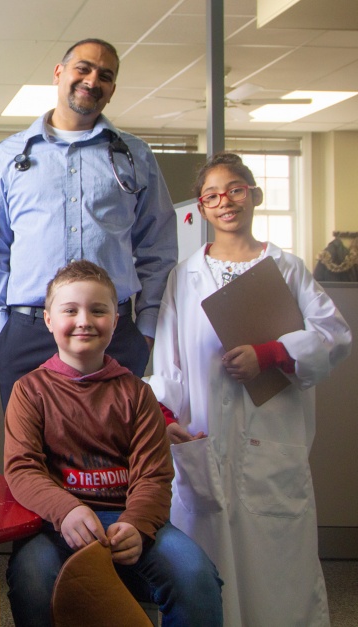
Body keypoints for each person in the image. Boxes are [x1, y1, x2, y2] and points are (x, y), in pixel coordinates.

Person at [146, 152, 352, 627]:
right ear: (200, 206)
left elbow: (334, 337)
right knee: (203, 565)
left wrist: (272, 354)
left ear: (254, 195)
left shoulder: (288, 268)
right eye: (213, 194)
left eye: (236, 189)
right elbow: (169, 363)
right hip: (205, 442)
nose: (226, 202)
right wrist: (168, 420)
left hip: (270, 444)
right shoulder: (186, 275)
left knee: (278, 569)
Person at [3, 260, 223, 627]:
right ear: (48, 320)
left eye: (98, 310)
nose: (84, 320)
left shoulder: (138, 394)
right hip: (56, 523)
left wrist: (137, 524)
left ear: (115, 321)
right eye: (70, 310)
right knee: (31, 578)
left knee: (195, 575)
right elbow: (22, 470)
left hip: (131, 520)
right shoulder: (29, 391)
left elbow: (153, 476)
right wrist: (67, 511)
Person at [0, 38, 177, 409]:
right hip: (28, 332)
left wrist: (147, 329)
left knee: (111, 459)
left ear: (112, 90)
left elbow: (157, 245)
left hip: (114, 334)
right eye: (84, 68)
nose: (93, 80)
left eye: (105, 75)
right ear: (59, 73)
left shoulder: (134, 155)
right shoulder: (9, 156)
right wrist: (0, 326)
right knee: (30, 459)